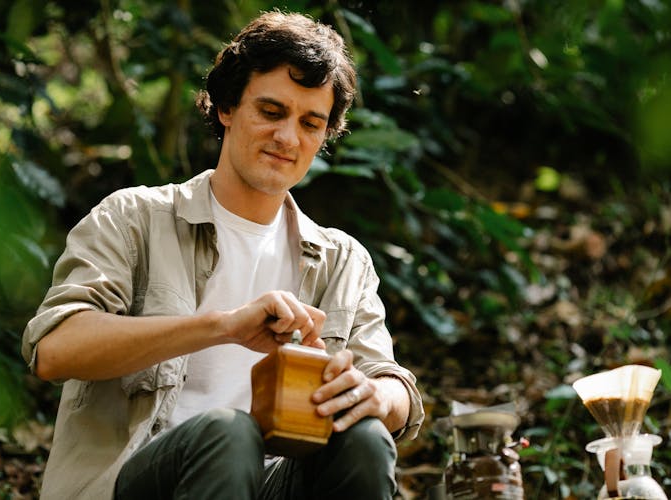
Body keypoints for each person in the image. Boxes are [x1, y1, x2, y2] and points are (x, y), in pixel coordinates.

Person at [22, 10, 424, 500]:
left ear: (324, 136)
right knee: (229, 434)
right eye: (272, 112)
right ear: (226, 106)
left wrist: (376, 394)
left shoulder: (343, 260)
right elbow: (55, 349)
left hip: (273, 483)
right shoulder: (133, 217)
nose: (288, 138)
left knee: (363, 437)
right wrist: (223, 326)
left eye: (310, 123)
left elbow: (394, 387)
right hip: (134, 483)